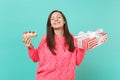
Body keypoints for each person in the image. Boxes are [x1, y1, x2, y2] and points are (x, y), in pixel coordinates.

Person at [23, 10, 86, 80]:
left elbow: (77, 62)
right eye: (52, 19)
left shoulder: (73, 39)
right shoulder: (45, 39)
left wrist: (82, 47)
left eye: (59, 17)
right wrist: (30, 47)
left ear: (64, 21)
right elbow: (36, 58)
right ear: (50, 24)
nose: (56, 19)